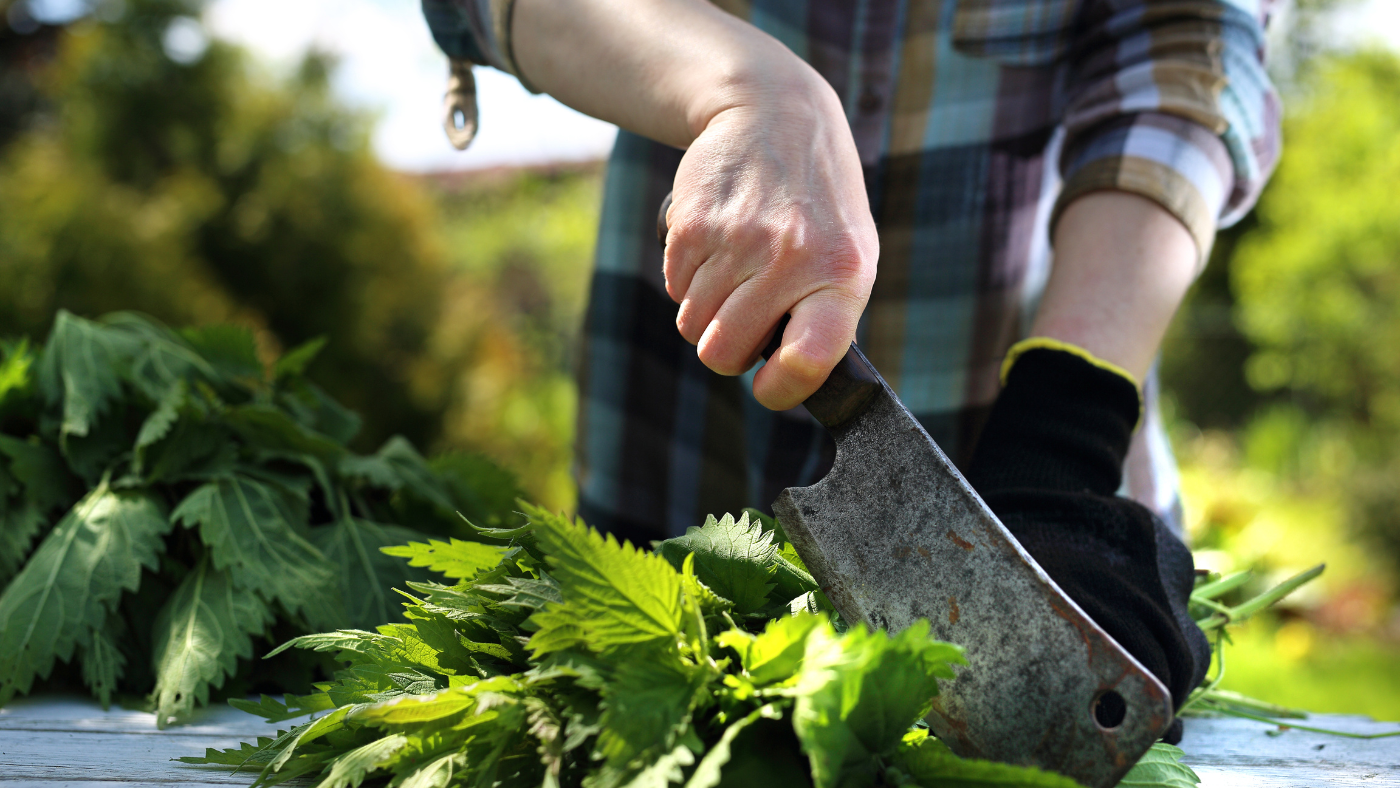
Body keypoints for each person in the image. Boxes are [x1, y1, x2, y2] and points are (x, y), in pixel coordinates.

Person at [422, 0, 1280, 734]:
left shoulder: (1060, 472)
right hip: (676, 442)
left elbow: (1189, 48)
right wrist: (743, 90)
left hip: (1050, 516)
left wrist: (1065, 431)